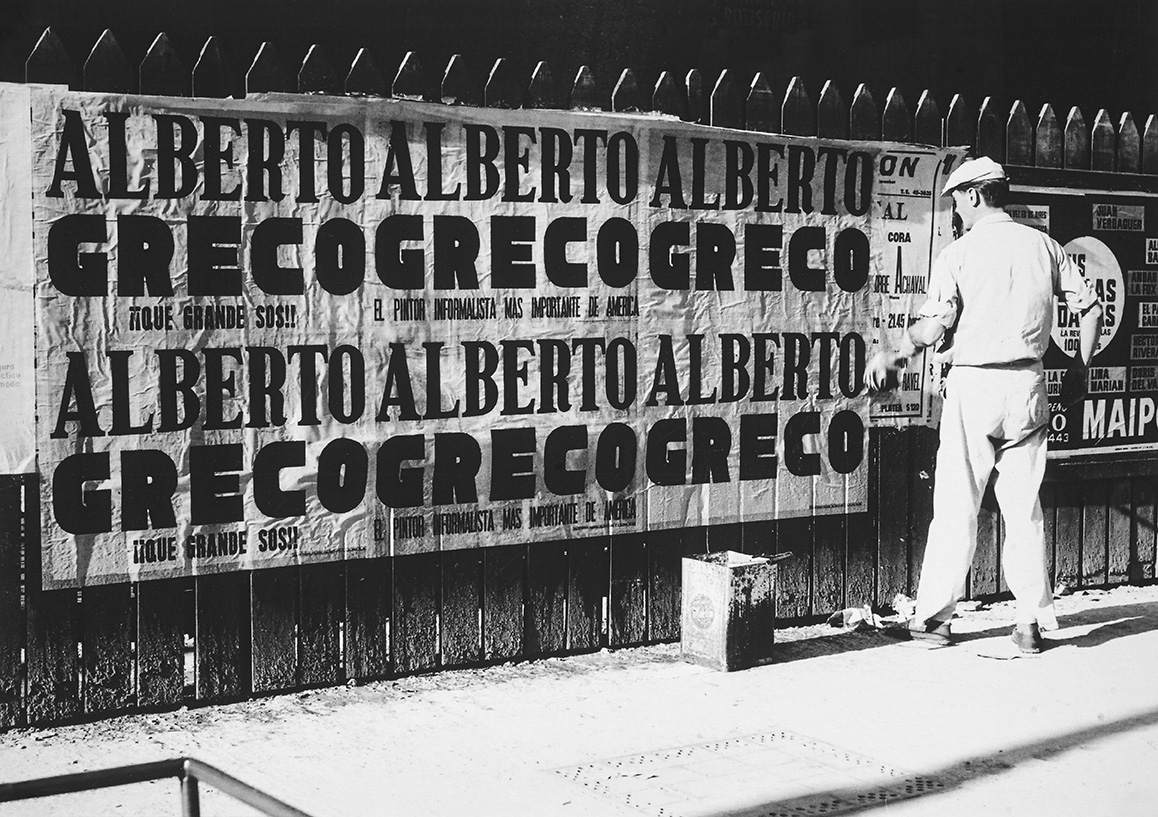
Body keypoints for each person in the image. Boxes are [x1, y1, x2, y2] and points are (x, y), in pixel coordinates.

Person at [867, 156, 1103, 653]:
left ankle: (935, 621)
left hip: (975, 387)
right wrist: (1080, 369)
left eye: (956, 200)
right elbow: (1089, 308)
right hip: (1028, 386)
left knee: (957, 506)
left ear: (973, 195)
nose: (955, 210)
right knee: (1024, 509)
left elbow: (934, 327)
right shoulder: (1045, 246)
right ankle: (1029, 623)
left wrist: (894, 354)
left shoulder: (959, 253)